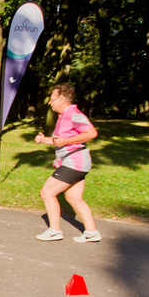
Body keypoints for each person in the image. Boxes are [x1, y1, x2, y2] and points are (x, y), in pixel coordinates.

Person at [34, 83, 101, 242]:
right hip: (77, 162)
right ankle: (92, 232)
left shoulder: (73, 114)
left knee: (47, 192)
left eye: (52, 99)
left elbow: (91, 133)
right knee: (73, 198)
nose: (50, 102)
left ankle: (54, 231)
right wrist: (44, 140)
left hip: (74, 161)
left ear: (62, 99)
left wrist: (65, 141)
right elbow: (61, 141)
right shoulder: (63, 116)